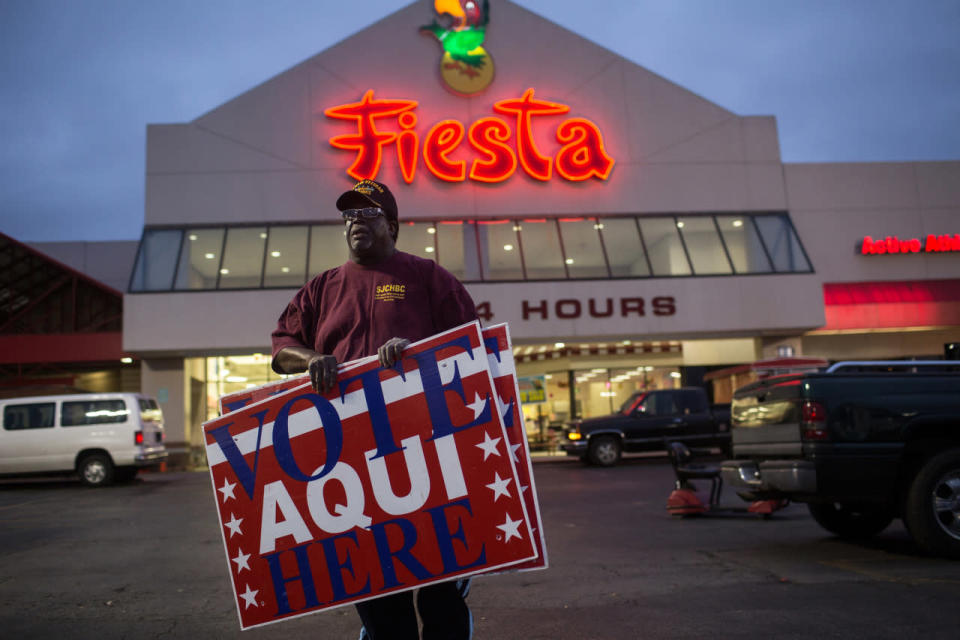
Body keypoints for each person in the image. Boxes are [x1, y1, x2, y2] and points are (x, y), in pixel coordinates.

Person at [270, 179, 477, 640]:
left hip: (427, 452)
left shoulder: (427, 277)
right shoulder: (322, 287)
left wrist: (420, 351)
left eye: (367, 214)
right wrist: (312, 360)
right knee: (376, 589)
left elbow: (472, 346)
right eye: (349, 216)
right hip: (351, 461)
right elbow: (283, 346)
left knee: (441, 585)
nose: (354, 223)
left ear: (393, 225)